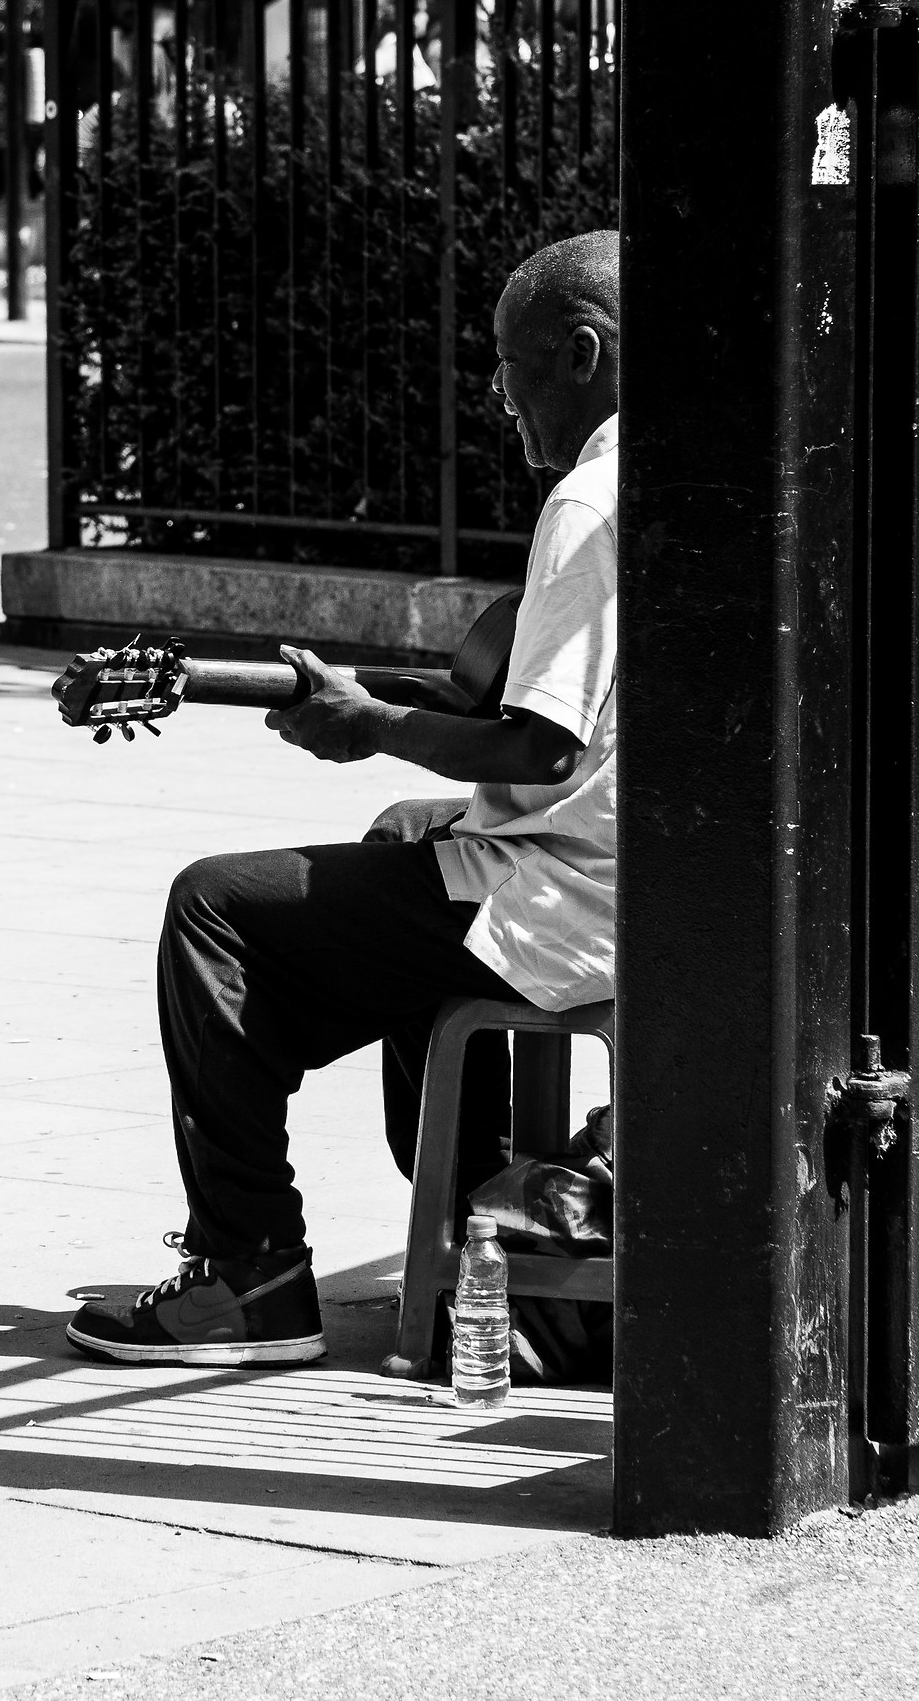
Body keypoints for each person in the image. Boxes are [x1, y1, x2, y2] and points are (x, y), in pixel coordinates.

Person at [67, 229, 620, 1366]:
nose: (500, 398)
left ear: (580, 351)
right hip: (662, 873)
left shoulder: (588, 505)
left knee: (214, 908)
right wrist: (379, 714)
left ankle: (249, 1271)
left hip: (579, 896)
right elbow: (531, 704)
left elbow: (541, 750)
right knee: (398, 838)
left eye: (510, 370)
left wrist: (374, 729)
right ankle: (470, 1207)